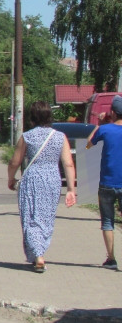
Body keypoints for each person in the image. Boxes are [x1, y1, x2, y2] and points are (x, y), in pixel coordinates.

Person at [7, 101, 76, 272]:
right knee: (45, 218)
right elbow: (68, 164)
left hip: (32, 179)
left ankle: (38, 255)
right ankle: (38, 251)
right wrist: (71, 190)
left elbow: (15, 161)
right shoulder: (60, 137)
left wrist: (11, 178)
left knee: (30, 218)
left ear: (32, 118)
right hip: (52, 179)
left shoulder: (27, 136)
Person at [85, 94, 122, 269]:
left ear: (112, 112)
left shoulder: (105, 129)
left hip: (107, 182)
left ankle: (111, 258)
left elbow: (88, 144)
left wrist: (99, 124)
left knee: (108, 222)